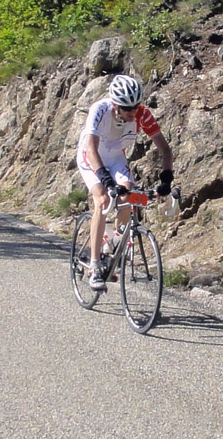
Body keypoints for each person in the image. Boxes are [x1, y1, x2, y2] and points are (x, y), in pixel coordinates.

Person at [76, 74, 174, 290]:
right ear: (115, 105)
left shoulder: (143, 115)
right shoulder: (100, 110)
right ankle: (94, 266)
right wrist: (105, 180)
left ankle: (112, 245)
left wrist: (166, 180)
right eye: (127, 108)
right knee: (102, 199)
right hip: (91, 155)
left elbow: (165, 149)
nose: (133, 113)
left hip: (116, 157)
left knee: (128, 195)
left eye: (136, 107)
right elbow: (91, 149)